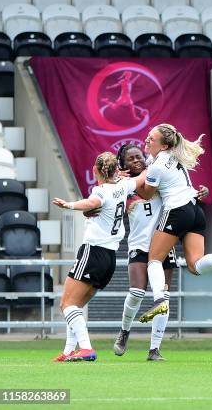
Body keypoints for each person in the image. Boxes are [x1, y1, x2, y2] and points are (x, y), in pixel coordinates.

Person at [134, 124, 212, 323]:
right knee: (195, 266)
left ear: (165, 146)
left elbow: (147, 194)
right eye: (148, 136)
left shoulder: (157, 166)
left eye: (152, 139)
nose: (147, 140)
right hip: (195, 210)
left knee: (154, 260)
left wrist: (131, 184)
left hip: (177, 211)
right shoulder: (175, 156)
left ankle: (159, 299)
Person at [111, 144, 209, 361]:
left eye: (139, 156)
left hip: (163, 245)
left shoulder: (158, 177)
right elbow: (106, 199)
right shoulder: (123, 186)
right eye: (131, 159)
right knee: (136, 292)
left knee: (163, 298)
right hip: (138, 245)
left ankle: (154, 349)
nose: (137, 160)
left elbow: (181, 194)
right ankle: (124, 331)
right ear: (123, 164)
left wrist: (201, 191)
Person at [51, 152, 137, 362]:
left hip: (93, 252)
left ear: (96, 170)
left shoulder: (102, 190)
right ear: (115, 169)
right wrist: (122, 177)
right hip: (110, 257)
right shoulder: (123, 186)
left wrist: (69, 205)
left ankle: (86, 348)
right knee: (76, 306)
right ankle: (69, 350)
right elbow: (139, 180)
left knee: (67, 304)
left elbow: (91, 203)